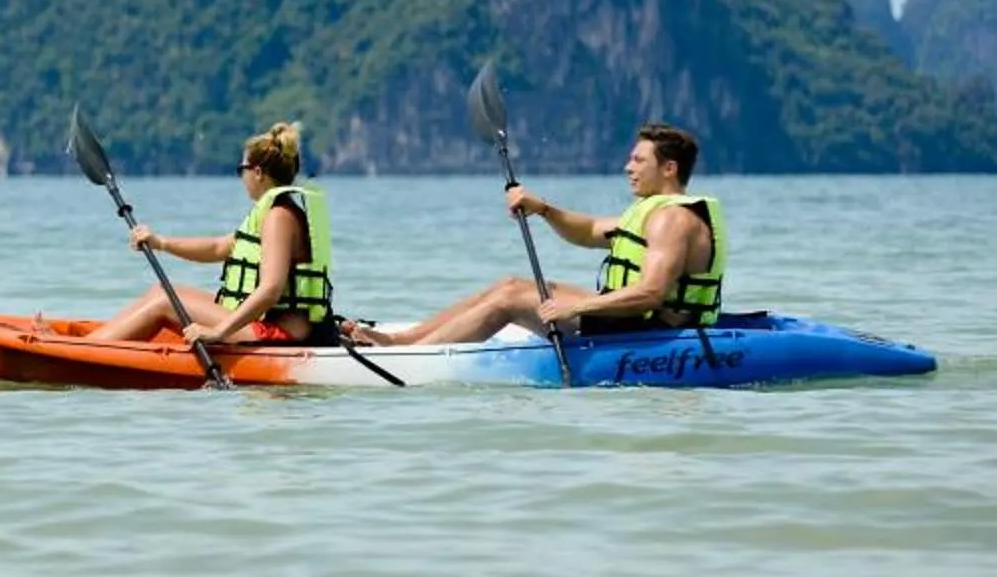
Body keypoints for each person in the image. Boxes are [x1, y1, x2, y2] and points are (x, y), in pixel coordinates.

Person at [350, 121, 725, 346]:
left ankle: (413, 360)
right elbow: (590, 230)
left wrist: (574, 306)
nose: (628, 167)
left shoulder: (674, 220)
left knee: (510, 299)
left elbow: (650, 293)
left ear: (670, 168)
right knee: (510, 283)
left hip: (648, 332)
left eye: (638, 160)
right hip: (627, 319)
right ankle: (403, 340)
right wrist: (542, 208)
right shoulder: (654, 213)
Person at [87, 121, 335, 346]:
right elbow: (219, 247)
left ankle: (87, 351)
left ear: (257, 172)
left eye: (242, 170)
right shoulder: (273, 212)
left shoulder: (278, 217)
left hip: (277, 334)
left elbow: (270, 290)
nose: (242, 177)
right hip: (265, 324)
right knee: (161, 292)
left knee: (164, 302)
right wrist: (160, 242)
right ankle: (93, 342)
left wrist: (218, 332)